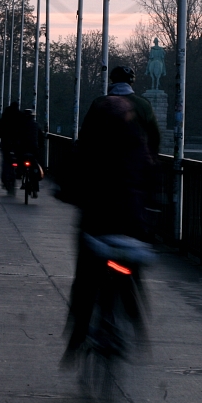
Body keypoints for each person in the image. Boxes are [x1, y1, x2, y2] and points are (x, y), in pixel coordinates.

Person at [60, 95, 155, 367]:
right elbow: (150, 176)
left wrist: (67, 193)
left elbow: (70, 176)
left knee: (85, 280)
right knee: (132, 273)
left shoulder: (90, 144)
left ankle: (76, 337)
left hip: (97, 224)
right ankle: (137, 324)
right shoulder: (137, 142)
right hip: (131, 225)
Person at [108, 65, 160, 159]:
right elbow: (154, 137)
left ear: (112, 80)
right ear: (131, 82)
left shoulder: (99, 103)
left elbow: (86, 135)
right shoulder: (143, 104)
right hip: (135, 163)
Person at [0, 101, 21, 193]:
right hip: (17, 144)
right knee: (19, 158)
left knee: (6, 162)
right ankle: (20, 173)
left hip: (6, 143)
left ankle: (5, 180)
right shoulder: (20, 116)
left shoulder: (5, 116)